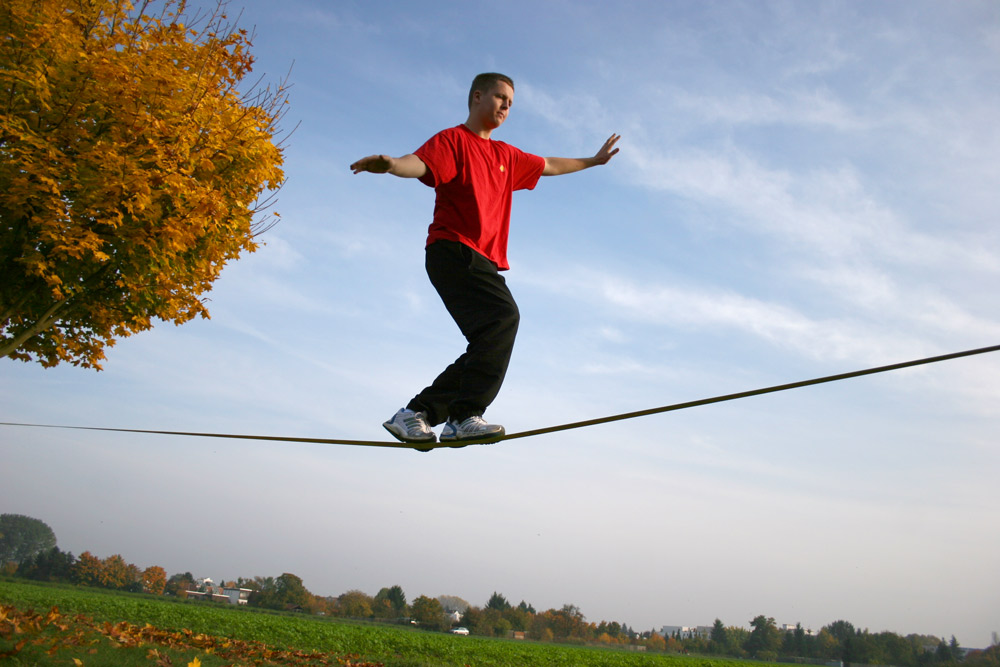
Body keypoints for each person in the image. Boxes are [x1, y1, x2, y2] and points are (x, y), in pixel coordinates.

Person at [350, 72, 620, 447]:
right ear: (477, 97)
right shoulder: (453, 141)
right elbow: (419, 163)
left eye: (510, 102)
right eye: (499, 97)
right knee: (503, 318)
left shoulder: (506, 155)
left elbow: (550, 165)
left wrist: (593, 161)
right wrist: (392, 165)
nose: (506, 106)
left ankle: (418, 414)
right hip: (453, 250)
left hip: (478, 260)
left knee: (489, 338)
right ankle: (462, 417)